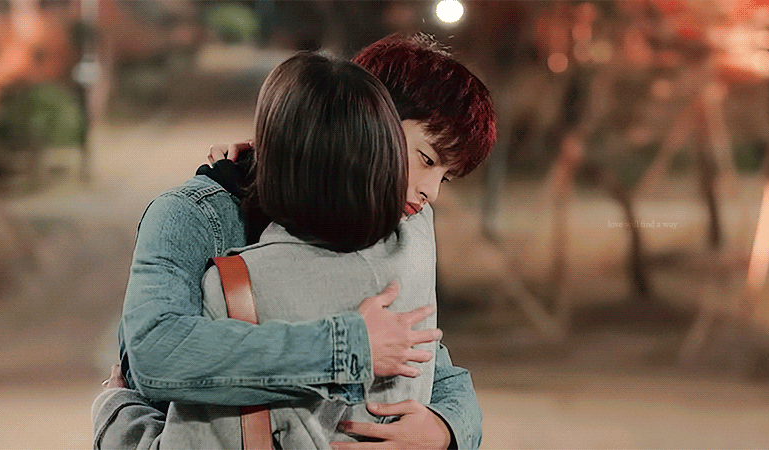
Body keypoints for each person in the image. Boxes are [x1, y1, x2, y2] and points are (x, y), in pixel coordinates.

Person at [99, 33, 496, 449]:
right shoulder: (195, 216)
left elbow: (427, 354)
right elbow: (156, 354)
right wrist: (347, 349)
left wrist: (446, 428)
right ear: (365, 120)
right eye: (426, 159)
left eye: (446, 177)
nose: (432, 192)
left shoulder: (389, 229)